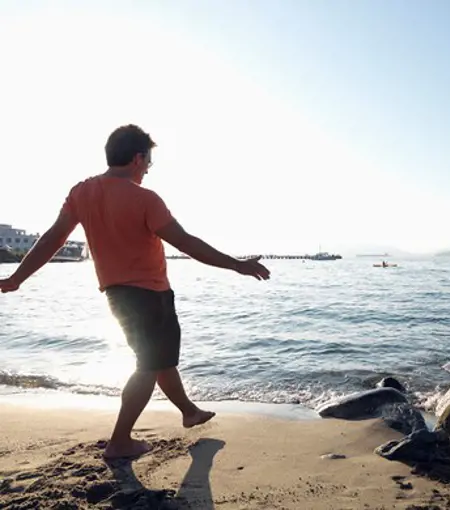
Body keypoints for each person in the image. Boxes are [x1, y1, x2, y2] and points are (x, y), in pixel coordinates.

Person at [0, 124, 271, 459]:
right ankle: (120, 441)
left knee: (160, 359)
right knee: (148, 363)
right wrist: (236, 264)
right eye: (148, 163)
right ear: (137, 158)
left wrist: (17, 277)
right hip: (150, 294)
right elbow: (185, 243)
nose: (147, 170)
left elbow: (52, 238)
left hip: (116, 295)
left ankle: (189, 411)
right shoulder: (144, 199)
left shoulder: (81, 193)